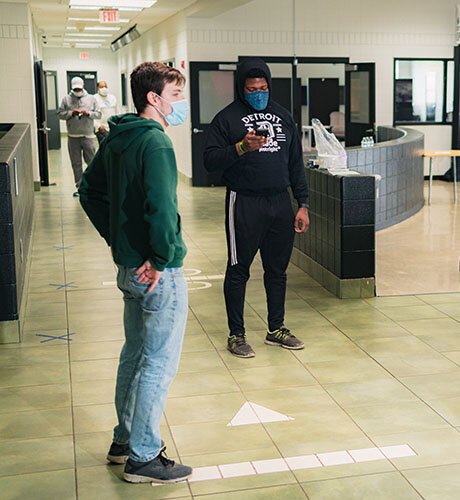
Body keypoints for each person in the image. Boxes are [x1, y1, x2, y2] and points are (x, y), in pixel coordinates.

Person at [78, 62, 192, 484]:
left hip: (128, 267)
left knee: (135, 355)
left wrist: (119, 241)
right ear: (154, 99)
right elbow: (161, 211)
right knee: (158, 363)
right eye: (176, 96)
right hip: (158, 273)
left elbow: (89, 191)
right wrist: (160, 258)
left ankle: (123, 441)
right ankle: (144, 456)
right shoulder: (157, 145)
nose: (180, 104)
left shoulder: (118, 137)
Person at [203, 58, 310, 359]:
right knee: (239, 269)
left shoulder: (283, 116)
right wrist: (241, 147)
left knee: (277, 271)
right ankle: (236, 334)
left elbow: (295, 164)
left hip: (280, 201)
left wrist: (302, 204)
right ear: (242, 89)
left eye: (263, 88)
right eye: (252, 89)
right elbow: (210, 161)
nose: (258, 93)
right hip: (244, 201)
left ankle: (276, 329)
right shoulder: (227, 119)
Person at [57, 76, 100, 196]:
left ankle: (93, 186)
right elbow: (60, 114)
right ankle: (80, 187)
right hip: (73, 136)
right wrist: (71, 113)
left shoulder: (92, 99)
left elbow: (98, 114)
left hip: (88, 136)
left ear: (83, 87)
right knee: (76, 163)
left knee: (91, 162)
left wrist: (89, 113)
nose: (77, 91)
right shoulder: (66, 99)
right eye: (75, 89)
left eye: (79, 89)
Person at [94, 80, 119, 144]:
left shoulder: (112, 97)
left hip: (112, 127)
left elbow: (117, 112)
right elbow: (92, 115)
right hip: (101, 129)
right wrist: (98, 126)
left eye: (105, 86)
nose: (104, 88)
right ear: (98, 88)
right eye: (101, 87)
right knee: (104, 148)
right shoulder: (94, 98)